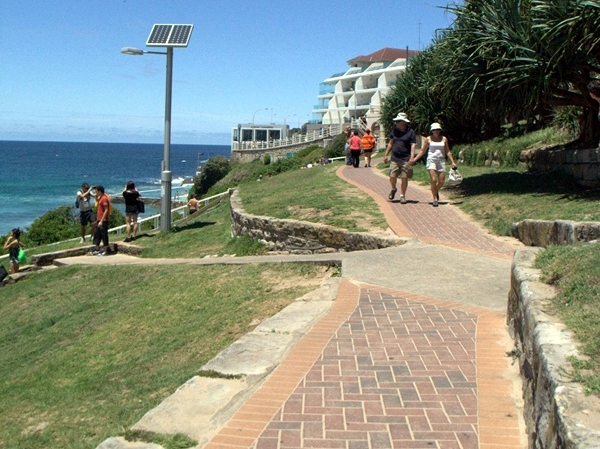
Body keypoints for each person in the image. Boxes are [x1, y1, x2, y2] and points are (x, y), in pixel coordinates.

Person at [413, 123, 458, 207]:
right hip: (431, 160)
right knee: (433, 179)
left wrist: (452, 161)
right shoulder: (428, 139)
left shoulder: (444, 139)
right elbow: (422, 151)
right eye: (434, 130)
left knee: (441, 181)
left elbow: (447, 151)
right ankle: (435, 199)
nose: (436, 131)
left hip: (441, 160)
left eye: (438, 130)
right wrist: (414, 160)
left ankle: (435, 190)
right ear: (432, 131)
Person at [383, 112, 417, 204]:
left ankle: (402, 195)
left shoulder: (411, 132)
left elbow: (413, 145)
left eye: (399, 121)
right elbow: (390, 143)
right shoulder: (394, 131)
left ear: (404, 122)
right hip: (394, 158)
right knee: (392, 175)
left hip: (405, 158)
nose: (397, 123)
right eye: (397, 121)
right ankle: (393, 188)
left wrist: (412, 157)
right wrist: (386, 154)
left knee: (404, 177)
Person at [92, 185, 111, 256]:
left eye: (96, 191)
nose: (95, 192)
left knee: (104, 235)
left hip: (103, 220)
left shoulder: (104, 198)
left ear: (99, 191)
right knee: (97, 234)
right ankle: (97, 249)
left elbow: (106, 210)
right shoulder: (100, 198)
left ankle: (105, 250)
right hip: (98, 219)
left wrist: (101, 221)